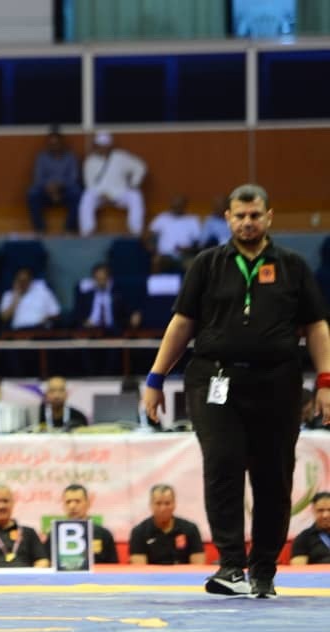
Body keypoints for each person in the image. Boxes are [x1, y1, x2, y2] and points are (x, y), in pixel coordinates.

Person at [142, 183, 330, 598]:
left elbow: (317, 326)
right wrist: (155, 378)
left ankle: (263, 569)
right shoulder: (207, 264)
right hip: (215, 380)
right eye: (240, 216)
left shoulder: (293, 266)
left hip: (277, 383)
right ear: (227, 218)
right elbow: (182, 323)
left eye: (255, 215)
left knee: (273, 476)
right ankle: (231, 565)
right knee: (223, 464)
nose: (248, 223)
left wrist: (325, 382)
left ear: (269, 217)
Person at [78, 132, 146, 237]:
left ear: (109, 146)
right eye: (99, 146)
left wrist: (134, 183)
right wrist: (101, 194)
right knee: (87, 196)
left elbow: (140, 167)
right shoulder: (90, 161)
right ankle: (87, 231)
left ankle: (135, 231)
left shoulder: (121, 157)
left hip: (120, 193)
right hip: (100, 195)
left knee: (135, 196)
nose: (101, 148)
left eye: (104, 146)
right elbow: (89, 183)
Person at [127, 484, 205, 566]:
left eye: (167, 503)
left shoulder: (190, 529)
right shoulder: (139, 532)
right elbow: (139, 568)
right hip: (152, 574)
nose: (163, 508)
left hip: (183, 574)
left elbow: (198, 566)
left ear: (174, 504)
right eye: (158, 503)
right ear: (151, 505)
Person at [44, 484, 118, 564]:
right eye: (68, 502)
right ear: (63, 505)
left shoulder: (103, 534)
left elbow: (113, 566)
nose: (72, 506)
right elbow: (46, 563)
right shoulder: (55, 534)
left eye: (77, 501)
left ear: (88, 503)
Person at [27, 129, 80, 234]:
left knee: (77, 192)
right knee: (32, 193)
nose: (54, 146)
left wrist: (59, 186)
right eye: (51, 144)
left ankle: (69, 229)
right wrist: (50, 187)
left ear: (62, 143)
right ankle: (40, 230)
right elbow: (38, 178)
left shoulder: (70, 157)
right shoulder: (42, 157)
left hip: (65, 190)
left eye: (56, 143)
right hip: (46, 190)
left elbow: (73, 178)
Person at [289, 492, 330, 565]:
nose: (325, 515)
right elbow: (298, 569)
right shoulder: (303, 538)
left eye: (329, 510)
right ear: (313, 510)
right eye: (320, 510)